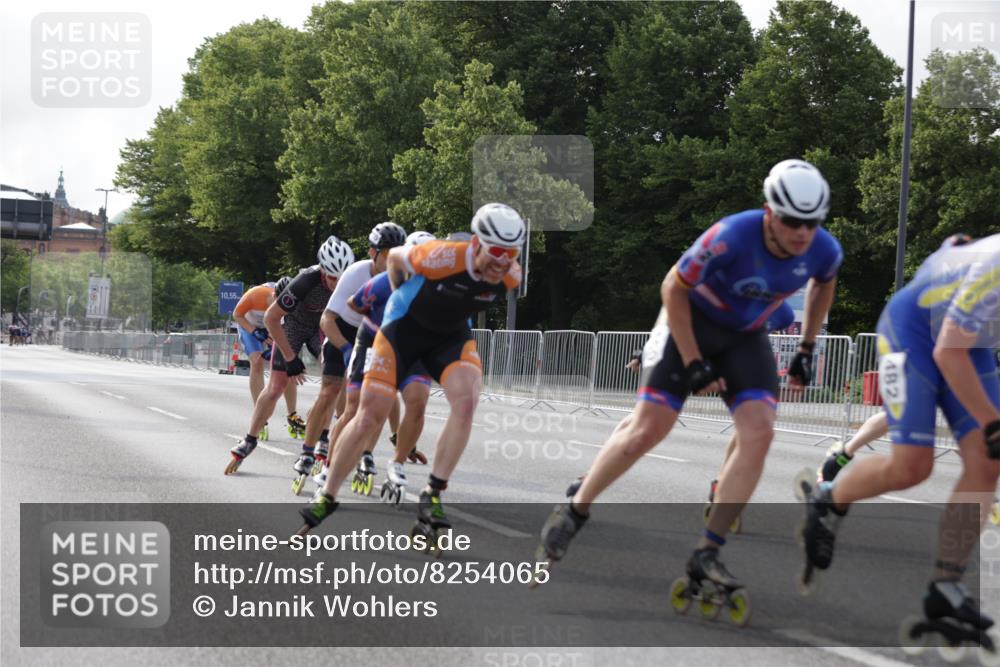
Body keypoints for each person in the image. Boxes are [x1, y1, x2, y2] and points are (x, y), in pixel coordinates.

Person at [537, 159, 842, 607]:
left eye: (811, 223)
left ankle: (707, 551)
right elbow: (673, 288)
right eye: (792, 221)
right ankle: (575, 509)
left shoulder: (824, 249)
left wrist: (807, 348)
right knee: (648, 429)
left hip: (743, 338)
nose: (802, 233)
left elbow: (823, 285)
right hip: (688, 321)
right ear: (768, 212)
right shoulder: (731, 235)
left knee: (759, 433)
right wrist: (694, 360)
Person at [801, 234, 1000, 642]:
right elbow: (947, 353)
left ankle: (946, 585)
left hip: (967, 343)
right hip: (911, 332)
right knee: (913, 466)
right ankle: (829, 499)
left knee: (986, 460)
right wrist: (992, 423)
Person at [298, 204, 524, 549]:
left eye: (511, 254)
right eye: (495, 252)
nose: (502, 262)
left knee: (466, 401)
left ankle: (433, 491)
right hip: (400, 333)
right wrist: (401, 292)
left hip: (448, 338)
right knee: (370, 414)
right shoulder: (443, 256)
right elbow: (394, 260)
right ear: (477, 243)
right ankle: (327, 494)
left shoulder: (511, 275)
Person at [290, 222, 408, 494]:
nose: (393, 259)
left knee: (377, 399)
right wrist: (345, 349)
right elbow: (326, 320)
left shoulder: (404, 276)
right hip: (342, 330)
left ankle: (365, 452)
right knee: (330, 392)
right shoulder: (356, 273)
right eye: (387, 253)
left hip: (375, 336)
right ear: (372, 252)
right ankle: (307, 452)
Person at [224, 235, 355, 474]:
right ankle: (249, 439)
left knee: (336, 382)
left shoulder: (352, 280)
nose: (337, 283)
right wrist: (291, 358)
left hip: (321, 328)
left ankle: (324, 437)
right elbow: (271, 318)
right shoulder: (306, 281)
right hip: (292, 327)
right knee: (276, 387)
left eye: (341, 277)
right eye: (332, 277)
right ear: (323, 270)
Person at [325, 230, 438, 505]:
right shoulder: (382, 282)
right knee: (357, 408)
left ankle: (396, 463)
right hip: (374, 342)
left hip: (412, 347)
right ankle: (329, 467)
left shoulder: (441, 290)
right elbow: (352, 305)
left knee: (418, 401)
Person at [232, 276, 299, 441]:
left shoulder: (292, 303)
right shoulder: (256, 295)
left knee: (288, 366)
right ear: (274, 296)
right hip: (249, 325)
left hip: (273, 327)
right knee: (257, 361)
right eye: (278, 303)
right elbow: (237, 315)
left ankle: (292, 415)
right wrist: (254, 331)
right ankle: (260, 416)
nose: (281, 308)